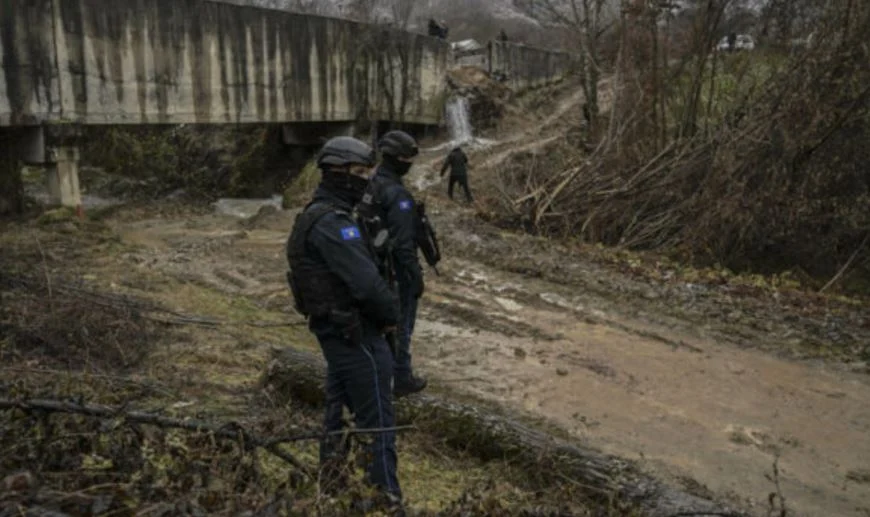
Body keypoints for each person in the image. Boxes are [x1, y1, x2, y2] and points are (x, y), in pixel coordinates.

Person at [284, 136, 404, 512]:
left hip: (342, 333)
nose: (367, 179)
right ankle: (386, 501)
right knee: (379, 423)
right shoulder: (332, 224)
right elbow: (369, 286)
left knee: (338, 414)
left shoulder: (324, 217)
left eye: (369, 172)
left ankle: (331, 487)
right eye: (359, 172)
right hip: (357, 336)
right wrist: (392, 318)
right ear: (337, 173)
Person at [365, 130, 428, 398]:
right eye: (407, 158)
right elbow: (404, 244)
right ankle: (401, 377)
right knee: (402, 324)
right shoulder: (397, 195)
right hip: (395, 272)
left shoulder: (369, 185)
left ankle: (381, 374)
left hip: (374, 269)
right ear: (397, 159)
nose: (410, 163)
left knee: (380, 325)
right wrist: (415, 278)